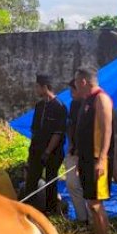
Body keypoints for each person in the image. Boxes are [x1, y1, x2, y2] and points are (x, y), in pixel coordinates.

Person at [72, 67, 115, 234]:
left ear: (83, 82)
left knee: (97, 206)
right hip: (86, 160)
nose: (75, 88)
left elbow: (107, 131)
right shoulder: (85, 101)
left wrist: (102, 160)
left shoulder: (101, 99)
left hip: (98, 161)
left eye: (76, 83)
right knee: (91, 204)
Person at [24, 74, 68, 215]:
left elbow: (58, 133)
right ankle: (28, 210)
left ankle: (50, 211)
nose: (36, 90)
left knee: (51, 180)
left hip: (53, 152)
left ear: (44, 87)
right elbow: (35, 130)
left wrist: (48, 152)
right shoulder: (39, 106)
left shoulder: (59, 107)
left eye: (37, 87)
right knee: (32, 179)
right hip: (37, 150)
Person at [63, 80, 90, 223]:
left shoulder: (93, 104)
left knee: (89, 188)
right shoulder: (73, 105)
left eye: (73, 90)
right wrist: (72, 144)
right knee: (72, 184)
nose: (71, 94)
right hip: (74, 152)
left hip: (89, 154)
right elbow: (71, 126)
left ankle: (94, 222)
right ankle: (82, 219)